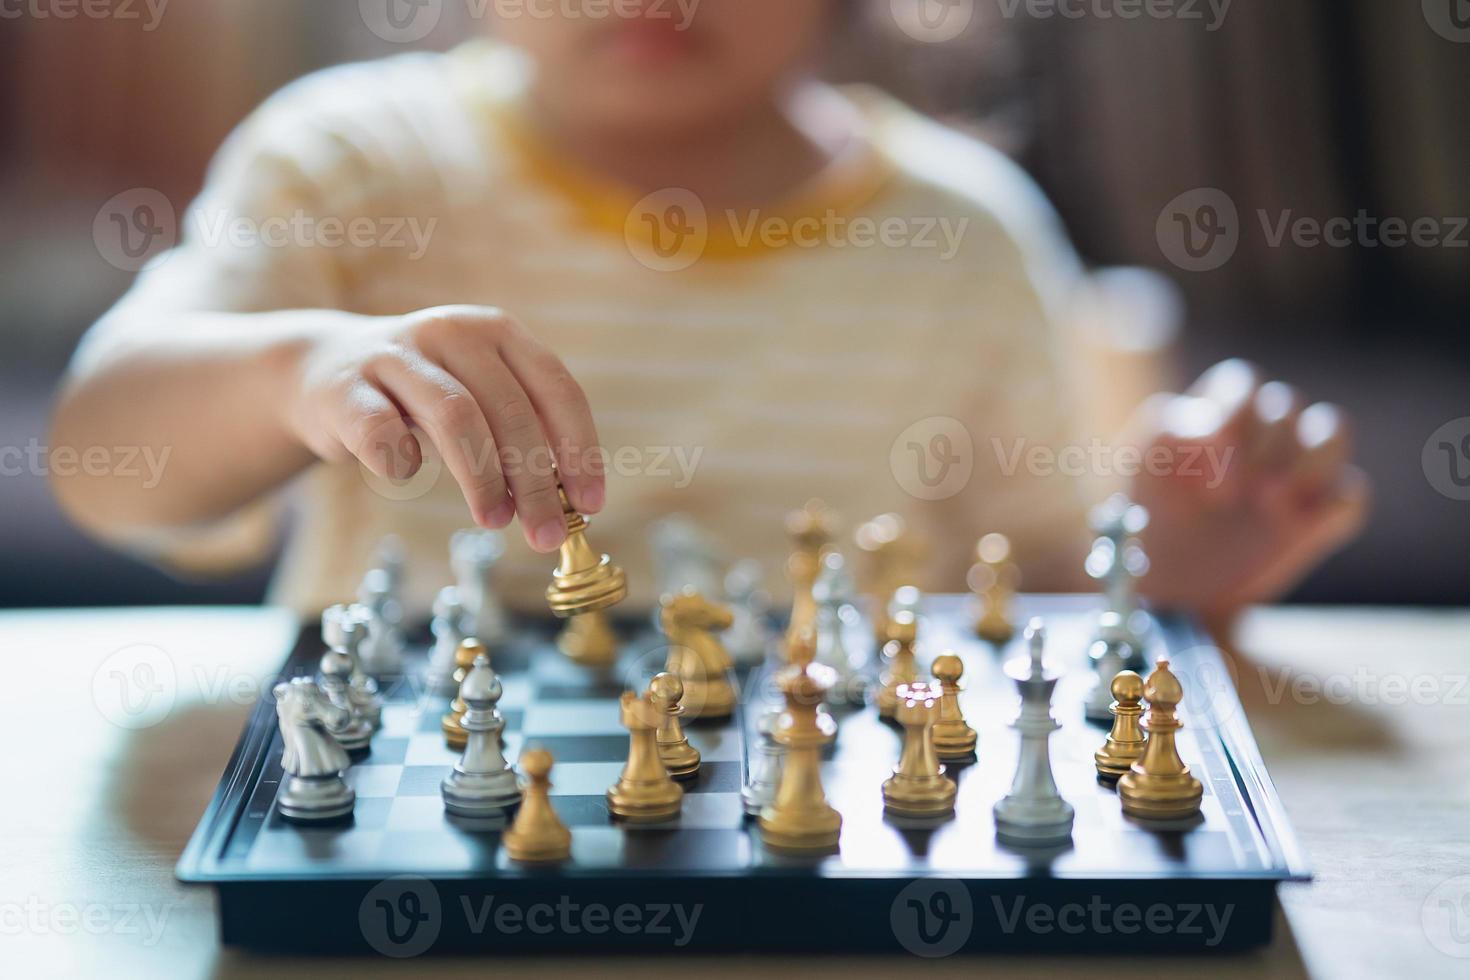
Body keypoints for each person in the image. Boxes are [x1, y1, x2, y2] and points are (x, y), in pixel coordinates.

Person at [49, 3, 1367, 619]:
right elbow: (107, 468)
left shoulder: (963, 234)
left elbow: (1029, 576)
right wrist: (297, 373)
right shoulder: (345, 167)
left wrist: (1173, 566)